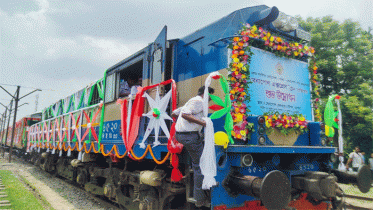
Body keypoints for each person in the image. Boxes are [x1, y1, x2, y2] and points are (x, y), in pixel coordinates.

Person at [172, 86, 214, 208]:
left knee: (198, 160)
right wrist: (203, 123)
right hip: (189, 136)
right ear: (206, 94)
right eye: (210, 96)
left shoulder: (192, 101)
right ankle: (199, 198)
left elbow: (174, 113)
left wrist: (180, 127)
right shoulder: (198, 101)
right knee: (200, 165)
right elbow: (185, 114)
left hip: (185, 135)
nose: (211, 99)